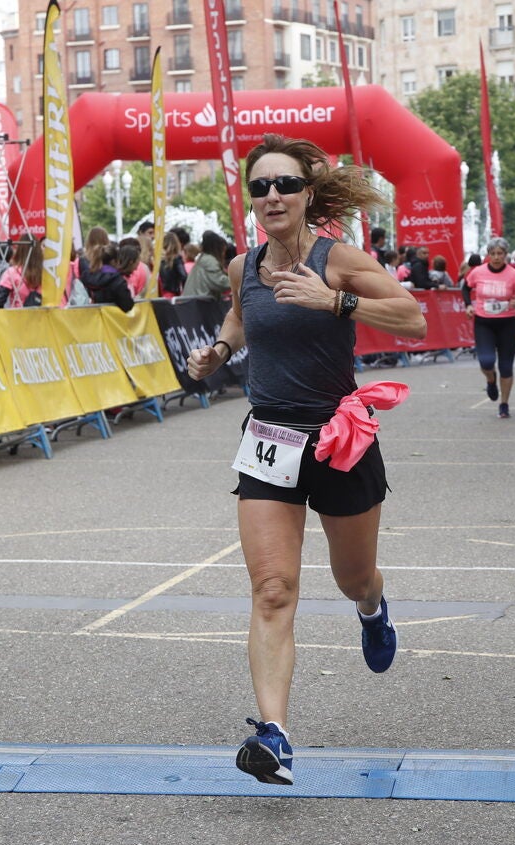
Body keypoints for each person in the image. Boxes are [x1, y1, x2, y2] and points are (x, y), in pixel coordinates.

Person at [184, 133, 426, 786]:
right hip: (269, 440)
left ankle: (372, 606)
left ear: (307, 193)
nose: (272, 196)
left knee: (354, 575)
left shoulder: (338, 259)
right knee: (272, 590)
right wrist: (218, 349)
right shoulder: (242, 266)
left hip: (340, 437)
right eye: (260, 186)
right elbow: (242, 319)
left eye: (285, 184)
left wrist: (336, 301)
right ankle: (275, 735)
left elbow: (414, 318)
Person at [463, 237, 515, 418]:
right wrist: (468, 305)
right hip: (484, 322)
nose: (497, 257)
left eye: (500, 254)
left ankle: (504, 404)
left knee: (506, 366)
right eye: (493, 254)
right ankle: (491, 380)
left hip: (507, 324)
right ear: (488, 255)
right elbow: (465, 288)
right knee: (486, 361)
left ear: (506, 255)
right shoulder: (478, 272)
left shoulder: (513, 275)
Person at [80, 241, 134, 311]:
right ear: (114, 261)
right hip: (112, 319)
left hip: (89, 319)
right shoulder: (117, 280)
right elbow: (127, 305)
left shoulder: (86, 277)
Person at [183, 230, 231, 300]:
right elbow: (220, 282)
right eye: (223, 251)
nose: (224, 255)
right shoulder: (209, 261)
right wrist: (238, 280)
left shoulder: (203, 258)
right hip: (198, 306)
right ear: (218, 249)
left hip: (192, 304)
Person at [158, 231, 188, 299]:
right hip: (174, 293)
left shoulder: (159, 260)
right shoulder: (177, 259)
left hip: (161, 293)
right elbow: (184, 276)